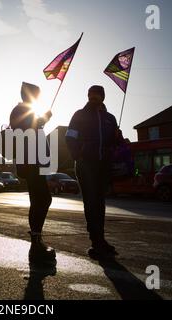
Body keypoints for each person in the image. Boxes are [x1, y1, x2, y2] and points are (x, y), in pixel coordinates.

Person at [65, 85, 119, 258]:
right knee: (91, 202)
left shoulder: (110, 118)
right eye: (91, 94)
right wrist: (78, 154)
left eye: (97, 95)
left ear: (103, 97)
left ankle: (101, 239)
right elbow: (70, 136)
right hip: (85, 164)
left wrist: (118, 138)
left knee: (100, 202)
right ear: (88, 96)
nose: (94, 97)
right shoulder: (79, 115)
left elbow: (112, 142)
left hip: (103, 165)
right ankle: (96, 242)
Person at [9, 82, 56, 264]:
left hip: (35, 162)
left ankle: (36, 241)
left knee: (41, 199)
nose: (38, 98)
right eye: (37, 94)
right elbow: (26, 129)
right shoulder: (20, 110)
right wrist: (44, 118)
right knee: (41, 199)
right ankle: (36, 244)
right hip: (30, 162)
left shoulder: (26, 110)